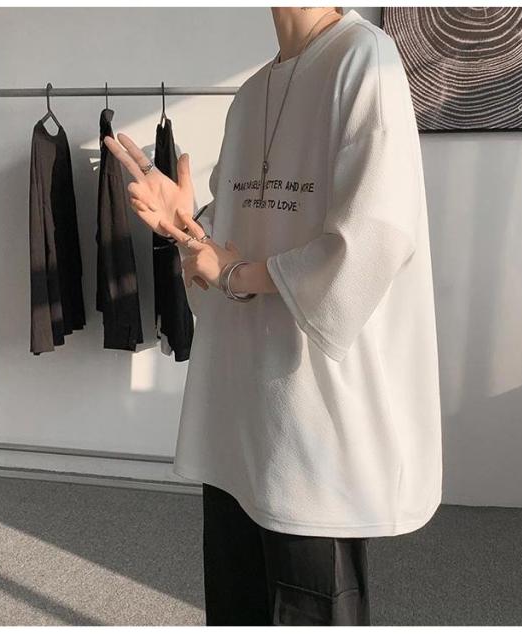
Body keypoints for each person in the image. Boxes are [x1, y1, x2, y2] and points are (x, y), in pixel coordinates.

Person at [103, 6, 442, 626]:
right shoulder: (252, 93)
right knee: (236, 604)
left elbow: (375, 237)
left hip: (314, 418)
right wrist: (186, 226)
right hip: (238, 409)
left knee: (310, 605)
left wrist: (236, 273)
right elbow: (231, 243)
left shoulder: (363, 59)